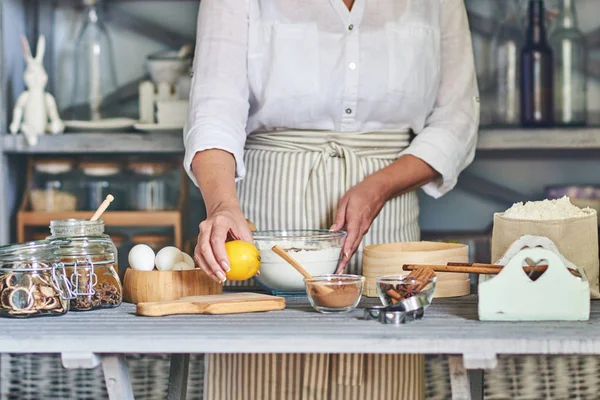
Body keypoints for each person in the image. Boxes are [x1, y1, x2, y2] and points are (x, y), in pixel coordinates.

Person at [184, 0, 479, 398]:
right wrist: (221, 205)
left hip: (385, 228)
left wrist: (379, 187)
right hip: (270, 221)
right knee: (262, 375)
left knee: (379, 375)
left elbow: (456, 119)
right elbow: (214, 108)